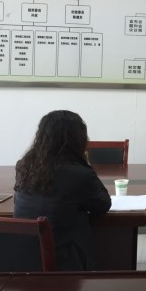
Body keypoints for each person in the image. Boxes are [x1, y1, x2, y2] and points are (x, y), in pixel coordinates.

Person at [14, 110, 111, 271]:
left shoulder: (24, 166)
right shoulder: (78, 173)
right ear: (78, 139)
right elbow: (103, 204)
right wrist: (85, 164)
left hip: (21, 260)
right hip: (62, 262)